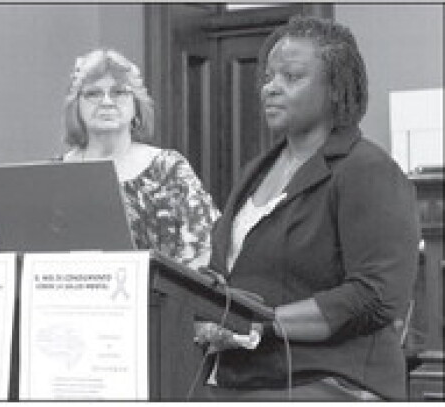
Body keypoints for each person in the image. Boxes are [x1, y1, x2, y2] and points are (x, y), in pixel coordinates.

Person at [194, 16, 420, 401]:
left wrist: (262, 324)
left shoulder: (367, 169)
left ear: (335, 88)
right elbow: (226, 271)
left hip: (330, 381)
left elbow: (377, 295)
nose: (272, 88)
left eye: (291, 77)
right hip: (238, 379)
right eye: (268, 77)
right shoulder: (257, 170)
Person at [61, 48, 220, 269]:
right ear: (76, 106)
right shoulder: (56, 174)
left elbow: (205, 251)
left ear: (136, 105)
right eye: (93, 93)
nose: (106, 102)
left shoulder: (169, 169)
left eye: (119, 92)